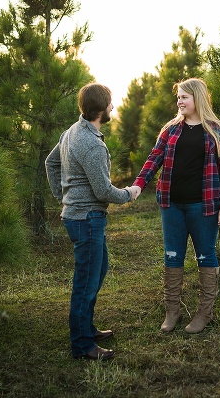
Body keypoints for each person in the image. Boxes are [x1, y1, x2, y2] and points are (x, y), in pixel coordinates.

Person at [46, 83, 141, 361]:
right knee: (86, 282)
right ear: (100, 109)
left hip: (79, 217)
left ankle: (86, 327)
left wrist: (62, 195)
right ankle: (83, 345)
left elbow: (51, 164)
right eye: (110, 103)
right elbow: (103, 191)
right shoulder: (91, 144)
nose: (113, 107)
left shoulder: (72, 131)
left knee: (97, 271)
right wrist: (129, 194)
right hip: (87, 219)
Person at [133, 77, 220, 334]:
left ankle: (204, 314)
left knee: (205, 256)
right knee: (172, 256)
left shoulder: (217, 130)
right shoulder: (170, 129)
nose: (179, 101)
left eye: (184, 97)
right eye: (178, 97)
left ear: (197, 98)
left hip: (204, 207)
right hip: (172, 205)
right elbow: (153, 159)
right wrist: (138, 185)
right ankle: (172, 311)